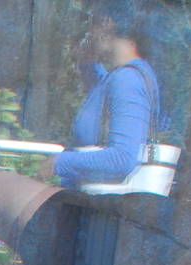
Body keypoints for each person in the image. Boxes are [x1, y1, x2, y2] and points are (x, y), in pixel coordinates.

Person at [40, 1, 162, 190]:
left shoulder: (127, 80)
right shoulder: (120, 77)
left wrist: (59, 162)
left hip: (98, 211)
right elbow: (103, 98)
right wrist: (87, 62)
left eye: (92, 23)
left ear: (107, 24)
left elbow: (122, 158)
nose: (89, 32)